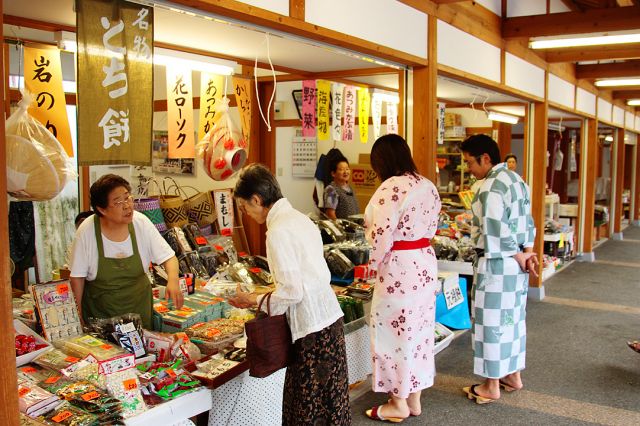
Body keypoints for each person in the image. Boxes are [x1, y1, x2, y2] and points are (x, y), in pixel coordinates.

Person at [228, 164, 351, 425]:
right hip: (328, 320)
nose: (246, 214)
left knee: (307, 410)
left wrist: (252, 299)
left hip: (311, 332)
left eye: (244, 207)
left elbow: (292, 292)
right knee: (330, 407)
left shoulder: (278, 231)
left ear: (257, 200)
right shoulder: (299, 218)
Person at [363, 134, 441, 422]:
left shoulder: (390, 187)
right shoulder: (427, 185)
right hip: (423, 265)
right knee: (418, 333)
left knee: (392, 333)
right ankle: (414, 398)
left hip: (399, 269)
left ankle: (397, 403)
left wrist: (373, 262)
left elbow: (379, 236)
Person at [460, 134, 538, 404]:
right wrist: (527, 254)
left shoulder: (490, 186)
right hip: (516, 264)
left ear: (485, 158)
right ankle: (513, 376)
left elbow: (495, 228)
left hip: (497, 261)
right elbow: (528, 222)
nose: (469, 168)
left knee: (490, 323)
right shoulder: (517, 180)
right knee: (513, 321)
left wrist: (517, 254)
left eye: (470, 162)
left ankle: (491, 385)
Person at [69, 174, 183, 329]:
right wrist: (76, 315)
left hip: (138, 309)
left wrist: (173, 280)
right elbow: (77, 278)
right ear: (101, 209)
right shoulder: (87, 231)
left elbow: (169, 257)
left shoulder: (140, 222)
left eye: (128, 198)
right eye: (118, 202)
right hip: (101, 314)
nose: (127, 206)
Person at [323, 154, 360, 220]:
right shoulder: (331, 190)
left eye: (347, 169)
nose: (345, 172)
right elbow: (330, 214)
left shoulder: (350, 188)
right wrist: (340, 228)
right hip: (342, 229)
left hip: (354, 228)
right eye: (341, 169)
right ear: (333, 174)